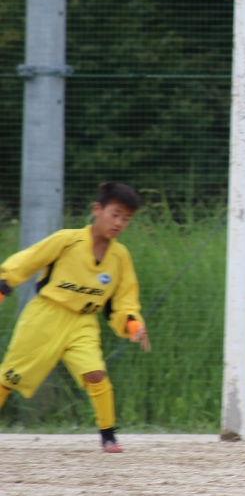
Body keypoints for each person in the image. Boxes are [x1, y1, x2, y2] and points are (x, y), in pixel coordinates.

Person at [0, 182, 150, 453]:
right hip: (46, 316)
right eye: (115, 214)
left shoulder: (120, 257)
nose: (119, 223)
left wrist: (133, 325)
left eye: (126, 218)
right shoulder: (67, 240)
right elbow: (28, 260)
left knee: (95, 373)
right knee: (10, 376)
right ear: (97, 210)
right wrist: (4, 284)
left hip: (84, 322)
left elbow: (124, 300)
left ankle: (108, 435)